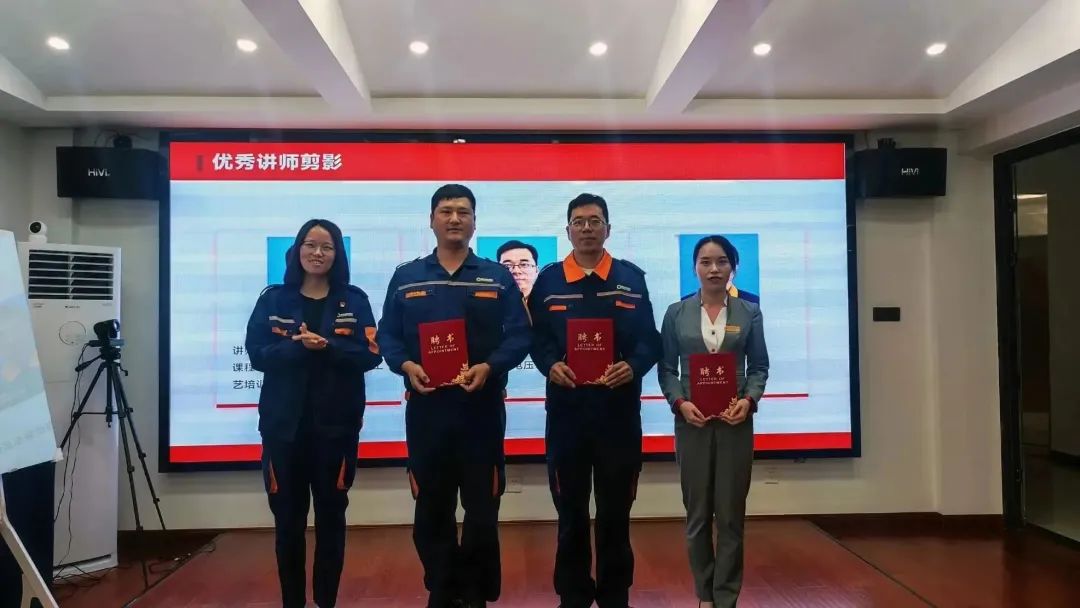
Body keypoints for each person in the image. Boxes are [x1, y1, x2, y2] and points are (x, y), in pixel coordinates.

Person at [377, 184, 530, 608]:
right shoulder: (407, 276)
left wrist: (490, 367)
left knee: (482, 507)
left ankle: (476, 592)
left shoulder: (495, 276)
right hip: (427, 411)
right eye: (446, 211)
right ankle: (442, 589)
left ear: (475, 221)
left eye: (463, 211)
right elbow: (388, 335)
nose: (455, 218)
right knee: (431, 506)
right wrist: (406, 366)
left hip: (480, 410)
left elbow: (520, 335)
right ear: (431, 220)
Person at [527, 193, 661, 608]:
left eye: (595, 221)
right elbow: (536, 338)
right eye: (579, 221)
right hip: (567, 416)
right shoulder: (549, 281)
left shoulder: (630, 279)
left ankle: (615, 594)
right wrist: (550, 365)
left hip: (618, 416)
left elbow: (650, 340)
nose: (587, 228)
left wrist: (633, 367)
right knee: (570, 513)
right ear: (567, 230)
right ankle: (573, 594)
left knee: (615, 514)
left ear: (608, 228)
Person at [245, 219, 382, 608]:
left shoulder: (354, 300)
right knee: (287, 524)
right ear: (297, 251)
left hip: (336, 431)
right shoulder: (273, 300)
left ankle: (326, 601)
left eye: (327, 246)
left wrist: (329, 347)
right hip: (283, 431)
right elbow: (256, 354)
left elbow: (372, 355)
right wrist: (297, 346)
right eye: (310, 245)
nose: (317, 253)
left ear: (338, 254)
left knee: (331, 522)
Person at [657, 235, 769, 608]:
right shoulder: (676, 313)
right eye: (705, 262)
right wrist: (680, 403)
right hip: (692, 424)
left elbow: (759, 366)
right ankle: (705, 594)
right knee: (698, 516)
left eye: (721, 261)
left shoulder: (749, 312)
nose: (714, 269)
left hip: (736, 424)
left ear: (733, 267)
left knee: (731, 516)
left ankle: (726, 597)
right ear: (695, 268)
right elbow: (666, 369)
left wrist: (749, 400)